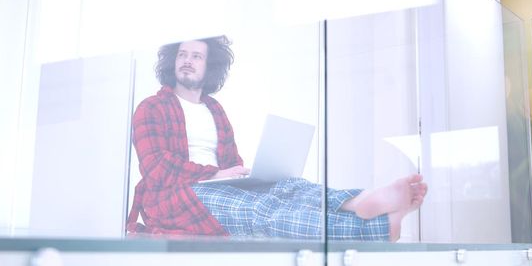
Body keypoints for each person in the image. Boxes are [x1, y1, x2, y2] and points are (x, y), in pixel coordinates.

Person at [126, 35, 428, 241]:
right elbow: (156, 168)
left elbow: (231, 163)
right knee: (261, 211)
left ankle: (359, 201)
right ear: (172, 61)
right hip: (176, 197)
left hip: (217, 187)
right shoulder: (151, 107)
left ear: (209, 66)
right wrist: (216, 173)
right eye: (182, 55)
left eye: (196, 56)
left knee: (289, 187)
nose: (187, 61)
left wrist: (247, 176)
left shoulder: (214, 110)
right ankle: (377, 226)